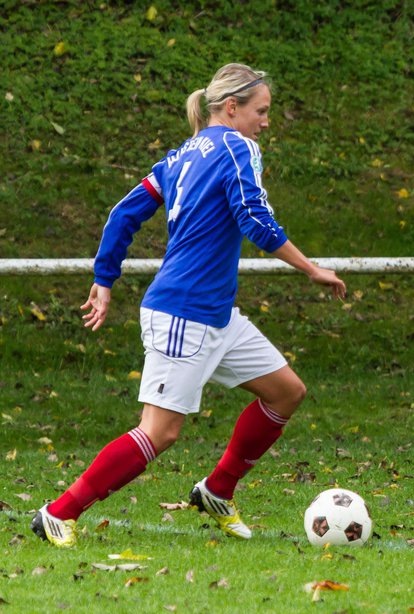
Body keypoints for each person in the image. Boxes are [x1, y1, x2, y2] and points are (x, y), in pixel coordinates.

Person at [32, 63, 346, 548]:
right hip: (184, 312)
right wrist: (311, 268)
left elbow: (123, 213)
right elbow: (255, 219)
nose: (266, 122)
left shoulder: (179, 157)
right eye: (261, 111)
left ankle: (217, 491)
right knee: (159, 432)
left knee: (286, 392)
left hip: (215, 313)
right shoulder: (238, 147)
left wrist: (105, 276)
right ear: (231, 108)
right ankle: (58, 512)